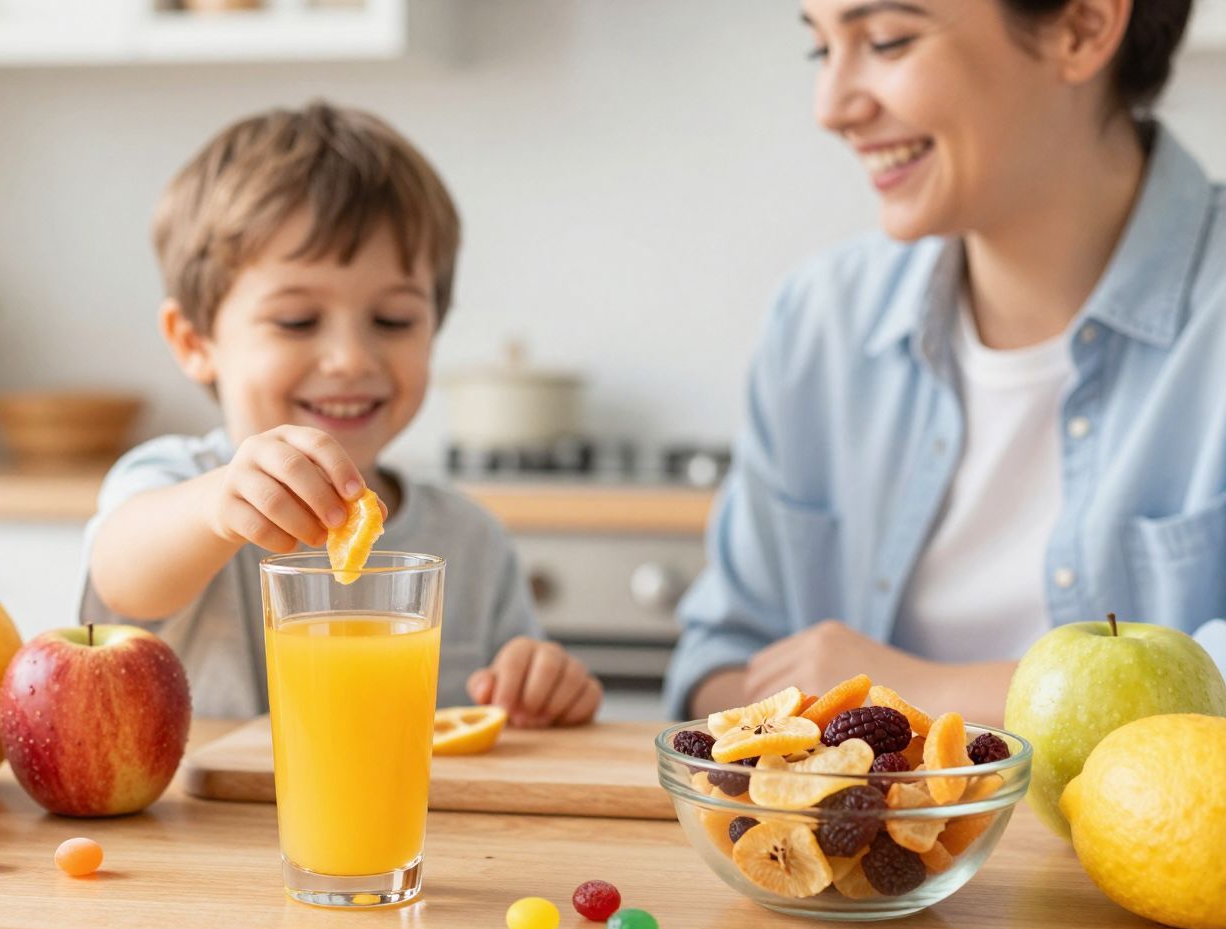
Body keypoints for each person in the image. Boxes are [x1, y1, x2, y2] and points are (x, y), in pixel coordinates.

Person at [667, 0, 1224, 725]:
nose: (831, 106)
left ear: (1082, 28)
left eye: (887, 41)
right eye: (820, 50)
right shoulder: (820, 320)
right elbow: (720, 661)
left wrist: (908, 695)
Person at [80, 101, 602, 726]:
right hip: (210, 827)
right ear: (194, 341)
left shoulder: (472, 541)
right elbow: (121, 576)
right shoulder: (177, 487)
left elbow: (507, 712)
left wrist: (540, 682)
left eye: (393, 320)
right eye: (297, 320)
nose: (352, 359)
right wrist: (218, 505)